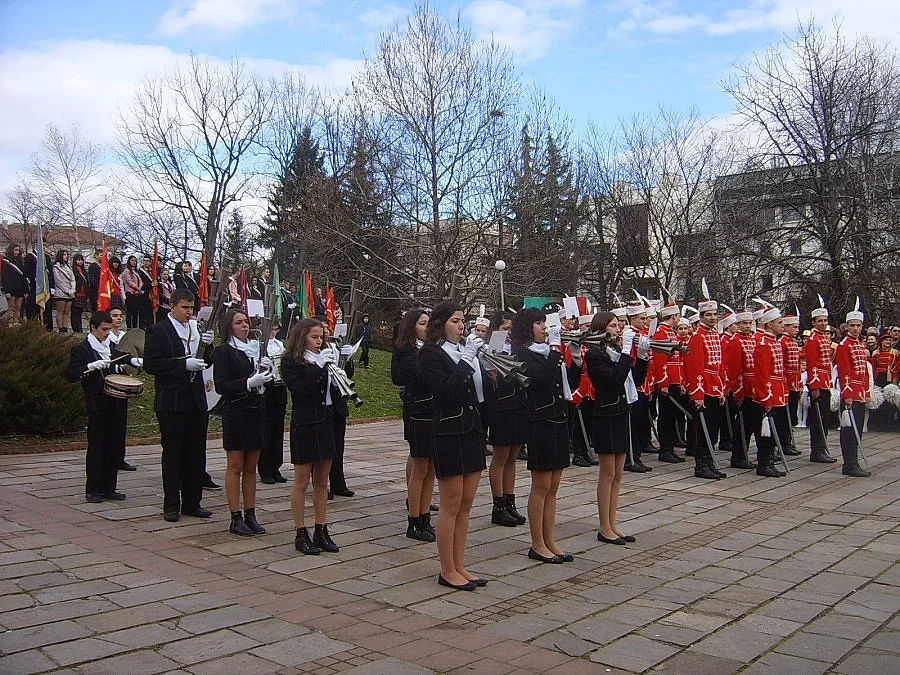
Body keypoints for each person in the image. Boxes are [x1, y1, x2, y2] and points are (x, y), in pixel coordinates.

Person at [418, 301, 487, 591]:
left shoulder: (461, 352)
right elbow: (446, 393)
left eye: (463, 321)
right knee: (450, 503)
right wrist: (467, 359)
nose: (462, 326)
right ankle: (447, 569)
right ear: (441, 323)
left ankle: (460, 564)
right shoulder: (431, 354)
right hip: (448, 432)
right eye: (456, 321)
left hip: (471, 430)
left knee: (466, 505)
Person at [143, 289, 214, 522]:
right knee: (173, 453)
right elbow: (152, 365)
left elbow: (205, 361)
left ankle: (193, 503)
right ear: (172, 306)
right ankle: (171, 504)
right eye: (184, 307)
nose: (188, 312)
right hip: (172, 401)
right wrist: (183, 365)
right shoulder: (158, 330)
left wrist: (209, 347)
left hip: (195, 400)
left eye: (191, 308)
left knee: (196, 452)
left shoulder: (195, 328)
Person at [512, 308, 572, 562]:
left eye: (545, 323)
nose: (544, 328)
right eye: (539, 323)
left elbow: (567, 383)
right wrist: (556, 352)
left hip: (557, 419)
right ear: (528, 327)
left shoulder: (548, 353)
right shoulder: (523, 354)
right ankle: (537, 543)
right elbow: (542, 380)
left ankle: (550, 540)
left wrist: (576, 360)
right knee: (541, 486)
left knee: (553, 487)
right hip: (539, 422)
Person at [65, 310, 143, 503]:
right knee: (97, 447)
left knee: (114, 446)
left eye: (109, 329)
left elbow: (120, 357)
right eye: (104, 329)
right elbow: (71, 374)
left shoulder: (109, 346)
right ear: (93, 328)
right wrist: (90, 367)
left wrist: (132, 360)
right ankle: (93, 489)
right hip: (97, 403)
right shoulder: (82, 349)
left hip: (115, 402)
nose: (107, 333)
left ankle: (109, 488)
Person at [586, 310, 646, 544]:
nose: (618, 329)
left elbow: (635, 380)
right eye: (612, 326)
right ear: (601, 329)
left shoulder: (615, 352)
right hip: (605, 415)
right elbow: (613, 380)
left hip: (621, 412)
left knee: (618, 474)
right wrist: (625, 353)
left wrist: (641, 357)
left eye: (618, 325)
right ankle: (604, 527)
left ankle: (613, 523)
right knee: (608, 473)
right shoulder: (595, 354)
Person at [282, 318, 340, 555]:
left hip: (325, 420)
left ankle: (321, 528)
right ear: (302, 336)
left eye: (321, 337)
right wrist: (318, 368)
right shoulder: (290, 361)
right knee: (302, 480)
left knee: (322, 481)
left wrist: (341, 363)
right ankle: (300, 531)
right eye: (315, 337)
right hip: (305, 422)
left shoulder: (322, 358)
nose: (319, 341)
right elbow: (300, 390)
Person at [214, 308, 272, 536]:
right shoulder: (224, 351)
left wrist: (265, 373)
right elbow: (222, 386)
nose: (245, 325)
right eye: (239, 322)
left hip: (256, 411)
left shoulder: (257, 350)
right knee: (236, 466)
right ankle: (235, 516)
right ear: (230, 326)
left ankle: (251, 513)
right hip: (236, 412)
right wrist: (248, 382)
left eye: (246, 321)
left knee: (251, 468)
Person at [391, 308, 437, 542]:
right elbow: (415, 376)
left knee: (431, 469)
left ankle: (425, 515)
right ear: (412, 327)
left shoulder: (430, 348)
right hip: (418, 410)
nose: (427, 328)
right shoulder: (405, 350)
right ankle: (414, 520)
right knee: (420, 468)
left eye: (429, 323)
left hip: (433, 410)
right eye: (422, 323)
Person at [484, 311, 527, 528]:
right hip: (501, 407)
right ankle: (498, 505)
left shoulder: (517, 348)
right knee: (501, 457)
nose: (508, 332)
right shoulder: (489, 351)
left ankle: (510, 502)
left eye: (510, 328)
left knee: (513, 456)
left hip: (518, 405)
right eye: (504, 328)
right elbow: (492, 382)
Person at [682, 285, 728, 480]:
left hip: (715, 385)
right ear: (701, 316)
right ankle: (701, 465)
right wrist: (698, 394)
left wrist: (722, 389)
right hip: (704, 385)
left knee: (713, 427)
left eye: (714, 314)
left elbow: (721, 364)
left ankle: (709, 462)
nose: (712, 317)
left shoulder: (714, 335)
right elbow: (695, 368)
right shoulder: (697, 337)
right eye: (708, 314)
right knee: (703, 428)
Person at [753, 304, 790, 478]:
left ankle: (769, 460)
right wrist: (766, 397)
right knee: (767, 432)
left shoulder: (773, 341)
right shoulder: (763, 344)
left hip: (778, 391)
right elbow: (762, 374)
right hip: (769, 392)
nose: (782, 325)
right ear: (769, 324)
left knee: (777, 428)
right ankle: (764, 462)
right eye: (779, 322)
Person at [648, 300, 687, 464]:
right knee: (666, 417)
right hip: (667, 382)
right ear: (674, 316)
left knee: (672, 417)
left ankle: (670, 447)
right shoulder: (662, 333)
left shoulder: (670, 332)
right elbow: (659, 361)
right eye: (678, 316)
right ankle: (665, 449)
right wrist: (663, 383)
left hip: (675, 380)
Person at [836, 303, 872, 477]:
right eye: (852, 325)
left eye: (858, 325)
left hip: (859, 391)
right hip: (851, 392)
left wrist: (866, 390)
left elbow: (863, 372)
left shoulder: (858, 343)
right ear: (847, 326)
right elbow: (844, 372)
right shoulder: (844, 345)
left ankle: (853, 460)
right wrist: (848, 394)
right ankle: (849, 463)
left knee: (857, 427)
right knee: (850, 430)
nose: (856, 328)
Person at [726, 308, 761, 469]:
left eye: (749, 323)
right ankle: (739, 456)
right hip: (743, 388)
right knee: (743, 426)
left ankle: (745, 455)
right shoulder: (735, 341)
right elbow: (734, 369)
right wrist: (738, 392)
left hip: (754, 388)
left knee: (753, 424)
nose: (747, 326)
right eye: (744, 323)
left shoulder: (753, 340)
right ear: (737, 324)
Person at [805, 297, 836, 462]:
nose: (823, 324)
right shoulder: (813, 340)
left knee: (824, 418)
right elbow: (812, 364)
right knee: (818, 419)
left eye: (825, 321)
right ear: (813, 322)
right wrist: (815, 385)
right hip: (818, 383)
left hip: (825, 381)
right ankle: (817, 450)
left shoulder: (823, 338)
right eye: (820, 321)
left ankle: (822, 448)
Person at [259, 319, 289, 484]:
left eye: (276, 328)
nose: (273, 331)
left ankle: (275, 466)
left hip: (279, 388)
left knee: (278, 430)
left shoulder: (280, 345)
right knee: (266, 430)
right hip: (266, 388)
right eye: (271, 327)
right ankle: (265, 469)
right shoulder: (259, 344)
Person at [623, 302, 652, 472]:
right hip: (631, 381)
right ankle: (630, 457)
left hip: (641, 383)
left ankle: (636, 455)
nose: (645, 321)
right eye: (642, 318)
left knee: (639, 422)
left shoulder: (641, 334)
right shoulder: (628, 335)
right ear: (633, 318)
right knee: (632, 423)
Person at [328, 339, 356, 500]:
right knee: (323, 449)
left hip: (338, 404)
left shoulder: (334, 348)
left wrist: (348, 359)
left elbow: (348, 374)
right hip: (321, 407)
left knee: (338, 446)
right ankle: (321, 485)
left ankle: (338, 483)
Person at [780, 310, 803, 451]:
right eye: (794, 327)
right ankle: (784, 442)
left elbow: (798, 365)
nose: (797, 330)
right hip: (787, 382)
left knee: (792, 414)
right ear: (786, 326)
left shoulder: (793, 342)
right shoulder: (783, 341)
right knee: (785, 415)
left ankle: (787, 440)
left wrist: (799, 383)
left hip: (794, 382)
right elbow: (782, 364)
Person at [2, 243, 28, 325]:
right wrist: (7, 291)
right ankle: (10, 324)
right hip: (11, 288)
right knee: (11, 308)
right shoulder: (6, 262)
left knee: (18, 308)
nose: (17, 252)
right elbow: (5, 277)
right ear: (11, 250)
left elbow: (24, 277)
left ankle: (16, 324)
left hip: (19, 288)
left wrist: (25, 290)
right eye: (16, 250)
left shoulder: (21, 262)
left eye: (18, 250)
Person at [52, 249, 75, 332]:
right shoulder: (56, 267)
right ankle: (60, 328)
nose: (66, 256)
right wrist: (66, 290)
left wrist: (72, 289)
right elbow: (58, 281)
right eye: (64, 254)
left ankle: (65, 328)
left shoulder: (68, 267)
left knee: (67, 311)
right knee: (60, 311)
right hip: (60, 292)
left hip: (70, 292)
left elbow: (73, 279)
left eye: (67, 254)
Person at [121, 255, 144, 329]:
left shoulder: (136, 272)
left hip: (137, 294)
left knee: (135, 312)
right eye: (132, 260)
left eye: (135, 261)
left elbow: (141, 282)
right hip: (130, 293)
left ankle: (134, 327)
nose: (134, 262)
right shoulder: (126, 271)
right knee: (130, 312)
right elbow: (129, 282)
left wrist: (139, 289)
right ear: (129, 261)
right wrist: (137, 289)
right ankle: (129, 327)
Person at [71, 254, 89, 333]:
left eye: (81, 260)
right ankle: (75, 328)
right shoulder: (73, 270)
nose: (80, 262)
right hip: (76, 293)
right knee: (75, 312)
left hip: (83, 294)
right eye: (78, 260)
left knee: (80, 313)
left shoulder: (84, 271)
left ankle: (80, 328)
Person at [138, 255, 154, 328]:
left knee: (151, 315)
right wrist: (150, 284)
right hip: (144, 296)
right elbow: (140, 285)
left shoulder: (153, 272)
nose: (146, 262)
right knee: (143, 314)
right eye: (144, 261)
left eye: (147, 261)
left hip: (153, 296)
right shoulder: (139, 272)